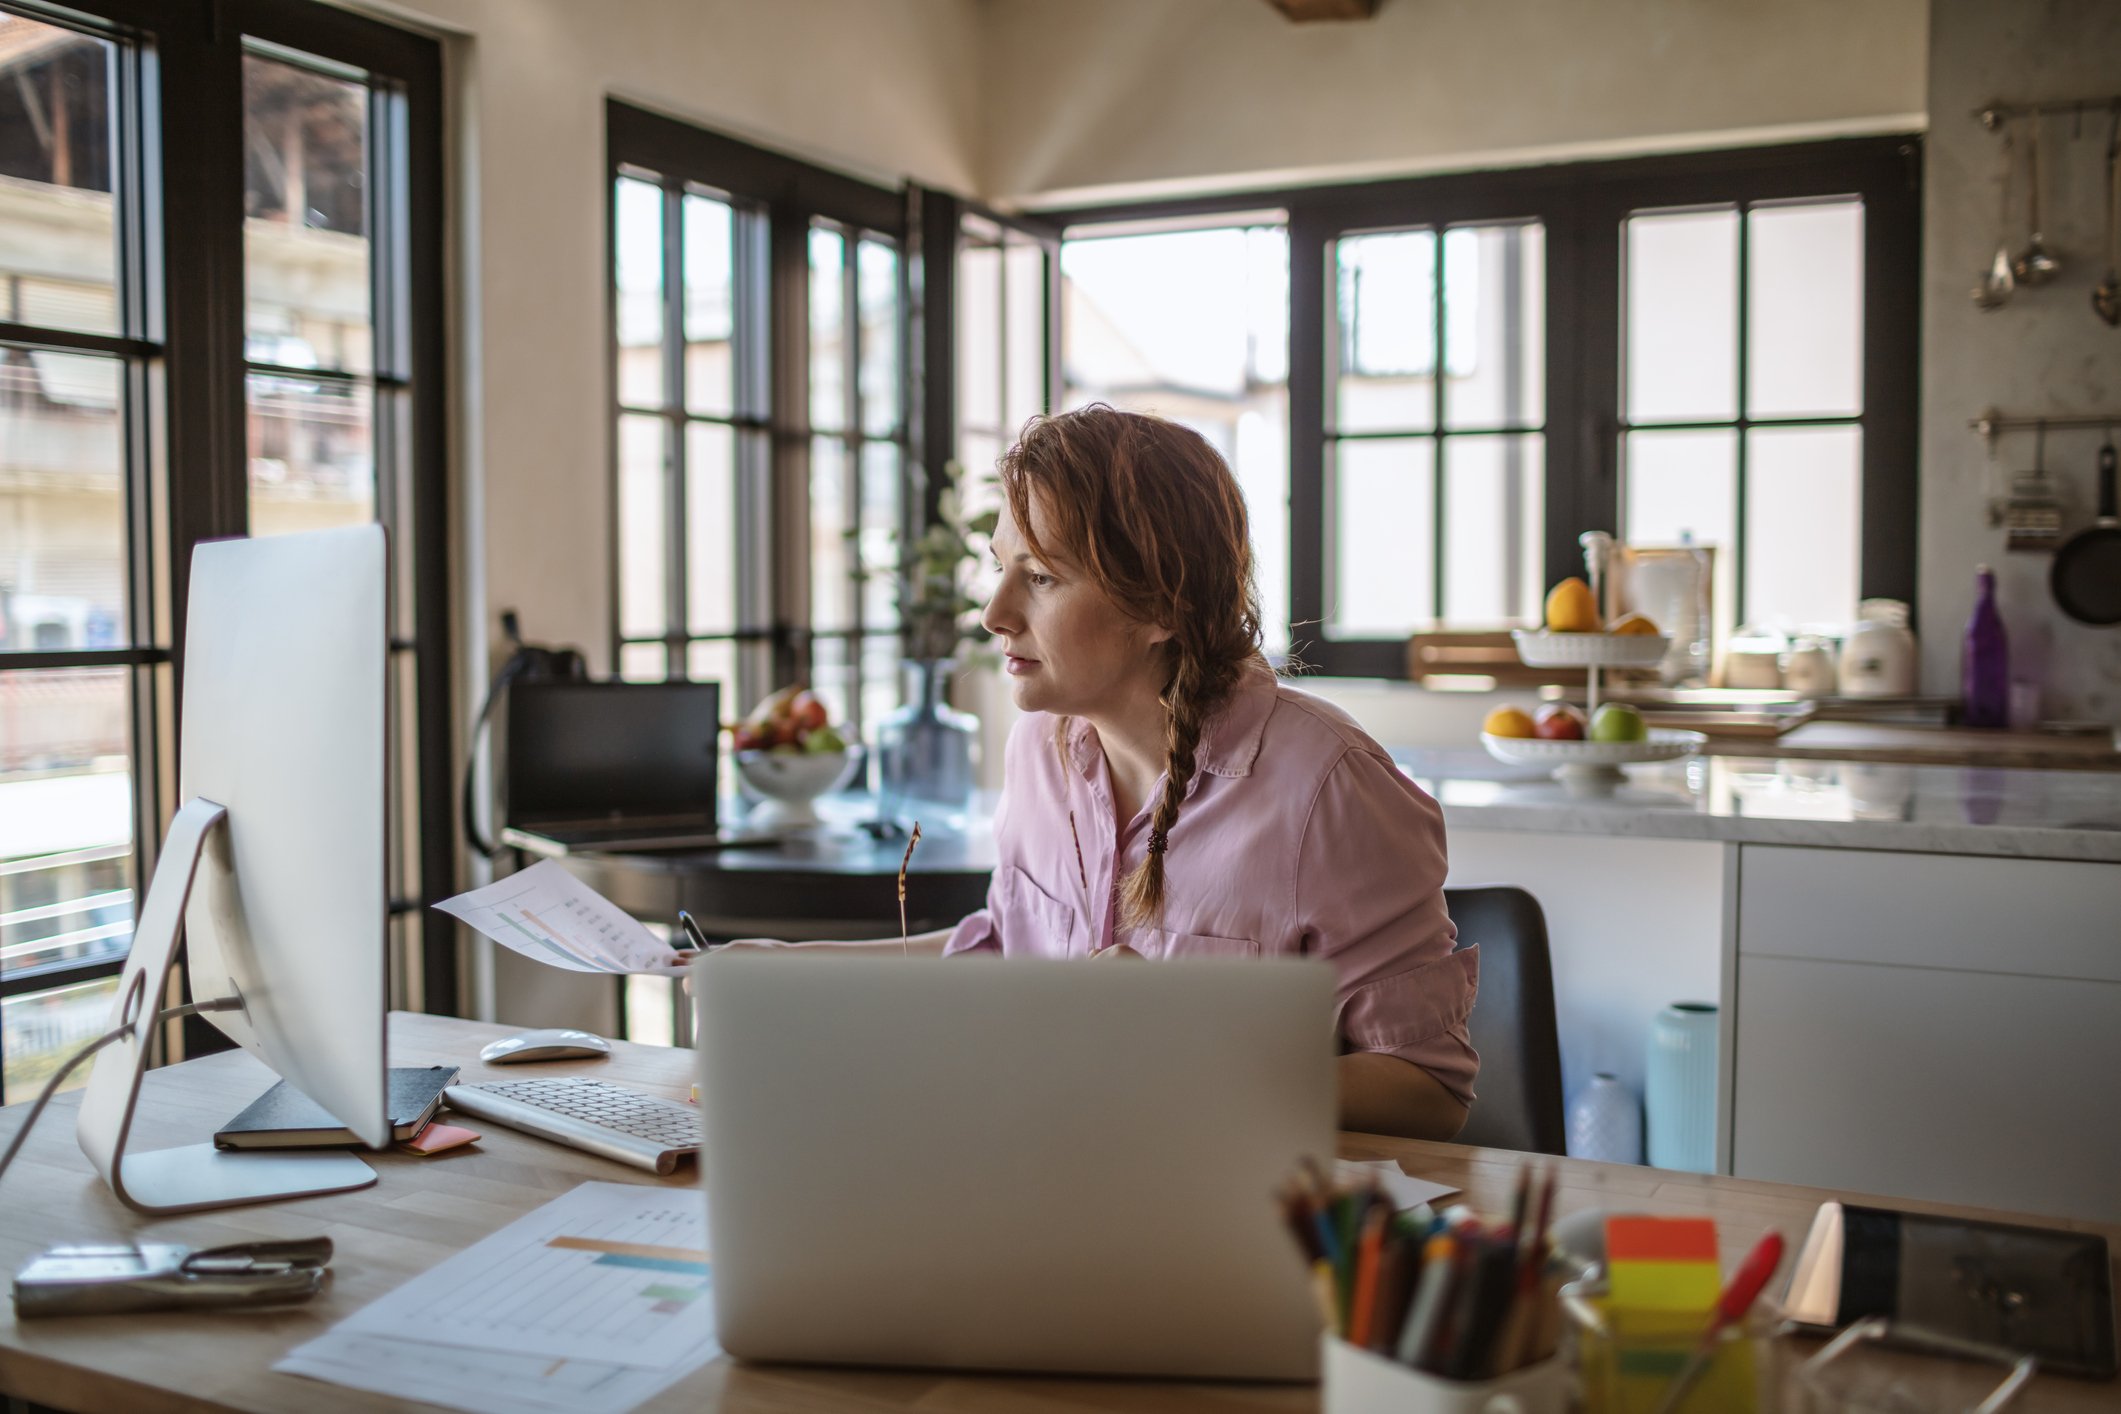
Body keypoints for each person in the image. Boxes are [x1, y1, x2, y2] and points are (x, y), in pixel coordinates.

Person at [724, 405, 1477, 1141]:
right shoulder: (1038, 749)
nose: (992, 612)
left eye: (1041, 577)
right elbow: (1006, 955)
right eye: (998, 569)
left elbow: (1428, 1090)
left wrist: (1186, 1056)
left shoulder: (1328, 788)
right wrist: (792, 974)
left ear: (1158, 606)